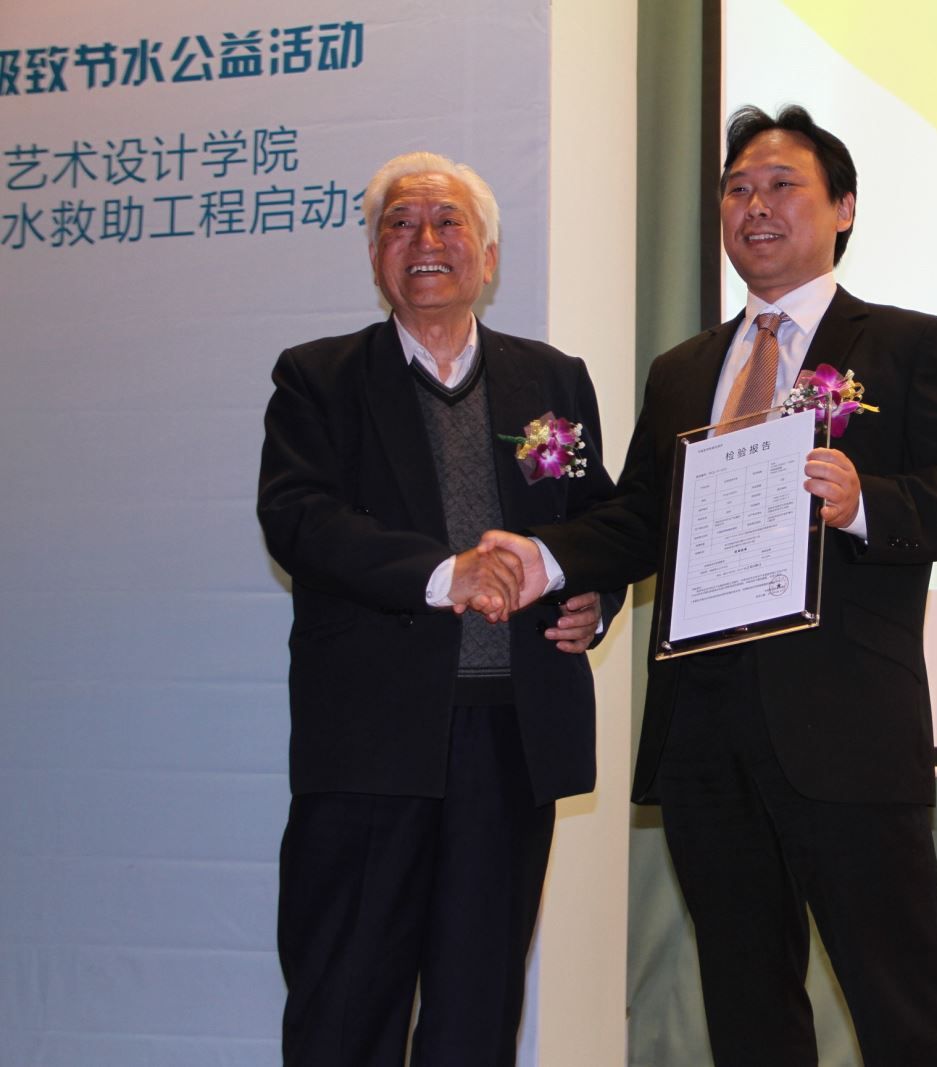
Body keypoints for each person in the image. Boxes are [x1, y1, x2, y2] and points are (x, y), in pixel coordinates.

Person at [490, 105, 937, 1064]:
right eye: (737, 190)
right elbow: (639, 516)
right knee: (746, 1008)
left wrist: (864, 501)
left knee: (902, 1004)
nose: (755, 206)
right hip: (704, 733)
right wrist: (550, 560)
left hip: (846, 730)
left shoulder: (906, 343)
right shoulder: (683, 370)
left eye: (781, 186)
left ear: (843, 207)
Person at [257, 151, 618, 1066]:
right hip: (370, 745)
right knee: (345, 1006)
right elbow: (298, 519)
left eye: (449, 221)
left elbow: (598, 520)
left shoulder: (553, 379)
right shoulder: (319, 378)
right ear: (375, 256)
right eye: (400, 223)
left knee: (477, 1011)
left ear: (488, 257)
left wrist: (593, 595)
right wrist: (438, 573)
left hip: (509, 740)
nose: (425, 239)